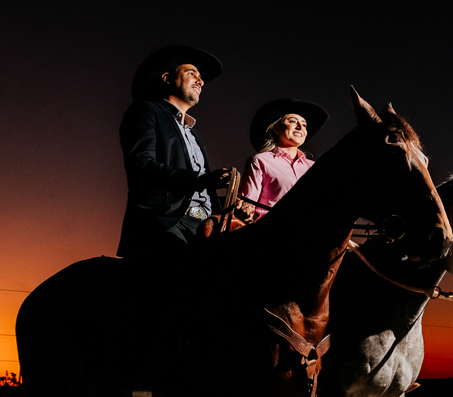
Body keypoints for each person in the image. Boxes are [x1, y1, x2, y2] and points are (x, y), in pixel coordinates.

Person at [117, 45, 234, 258]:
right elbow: (141, 164)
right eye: (192, 73)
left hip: (204, 225)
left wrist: (231, 201)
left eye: (201, 77)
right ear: (166, 78)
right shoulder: (145, 110)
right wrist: (201, 180)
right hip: (166, 222)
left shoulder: (194, 135)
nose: (200, 81)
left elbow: (203, 188)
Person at [238, 98, 328, 220]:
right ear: (275, 128)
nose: (300, 127)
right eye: (292, 121)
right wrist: (245, 209)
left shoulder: (315, 168)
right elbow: (247, 204)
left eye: (304, 125)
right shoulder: (261, 161)